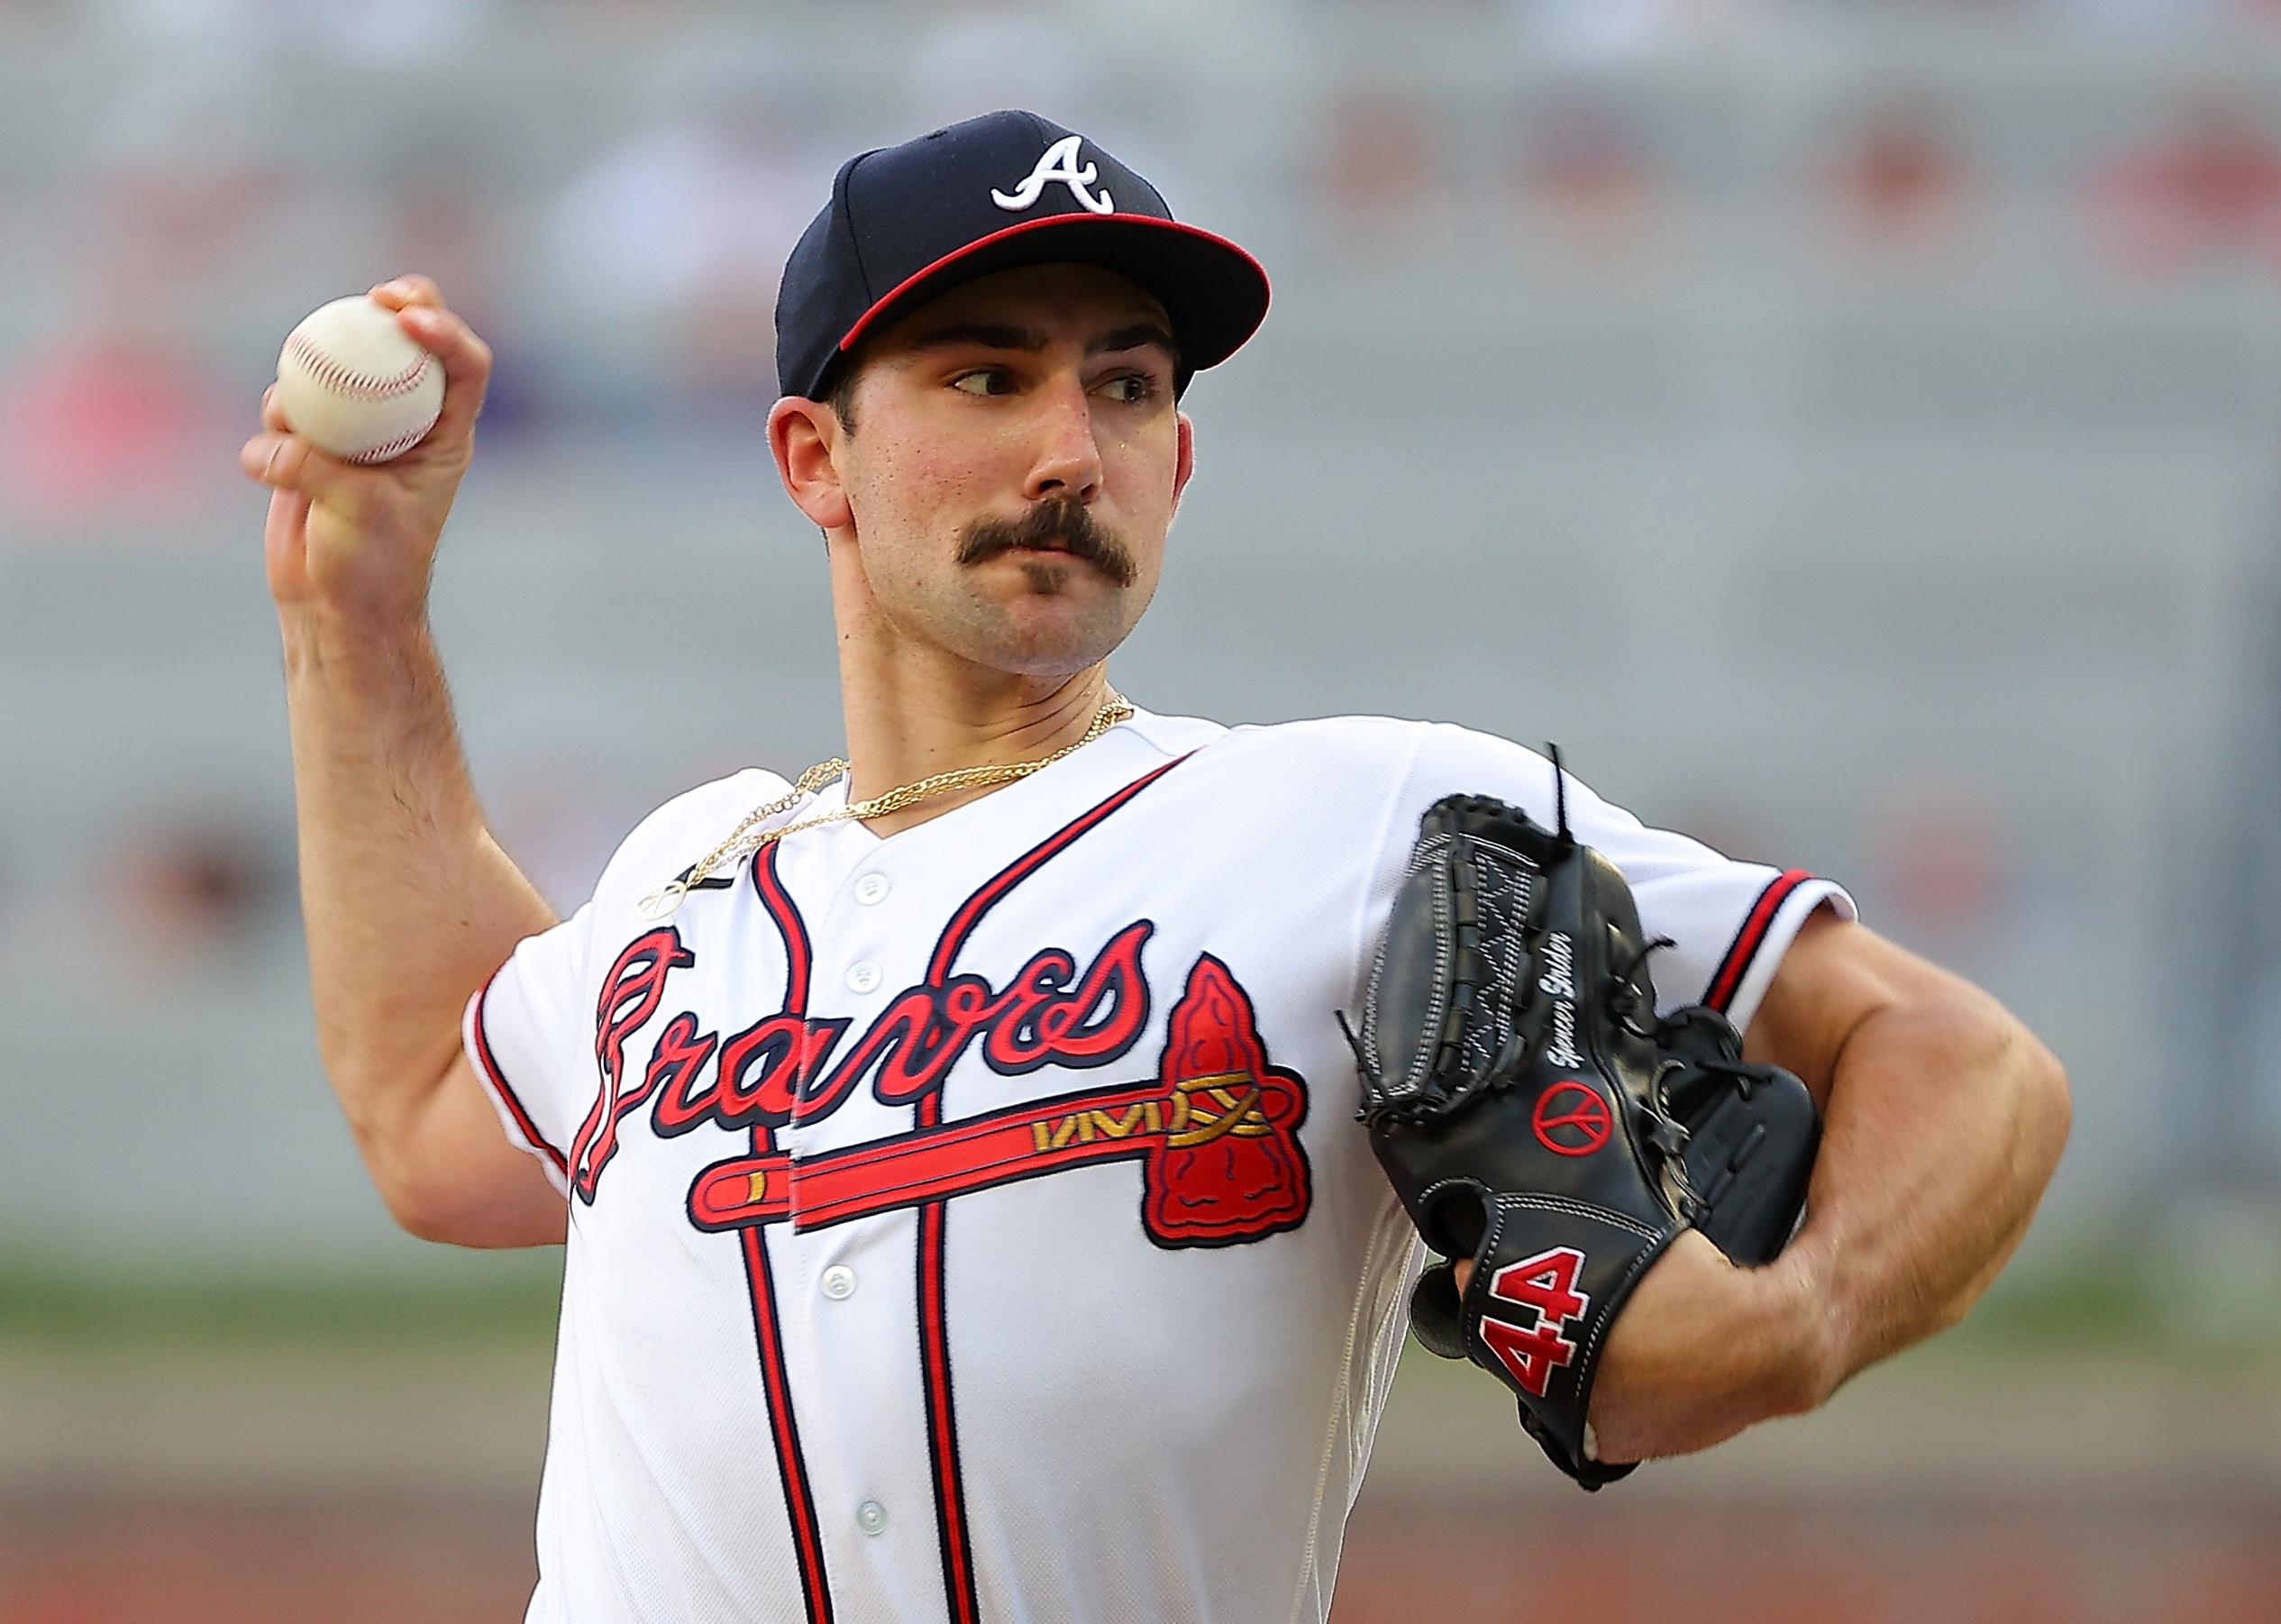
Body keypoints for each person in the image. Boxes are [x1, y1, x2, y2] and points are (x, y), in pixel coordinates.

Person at [240, 111, 2069, 1624]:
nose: (1068, 450)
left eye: (1123, 387)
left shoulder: (1371, 820)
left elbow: (1970, 1061)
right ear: (815, 455)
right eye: (986, 373)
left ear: (1179, 462)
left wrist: (1787, 1326)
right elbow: (429, 1106)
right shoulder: (686, 874)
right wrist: (360, 620)